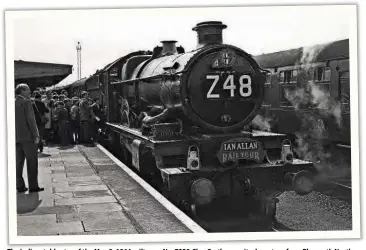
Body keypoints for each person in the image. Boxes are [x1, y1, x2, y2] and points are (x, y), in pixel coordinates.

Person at [15, 83, 44, 193]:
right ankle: (33, 186)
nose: (30, 92)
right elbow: (31, 120)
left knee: (18, 163)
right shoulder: (26, 102)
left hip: (16, 138)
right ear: (22, 90)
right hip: (28, 138)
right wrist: (36, 135)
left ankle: (20, 185)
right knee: (32, 162)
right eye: (28, 89)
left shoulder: (12, 102)